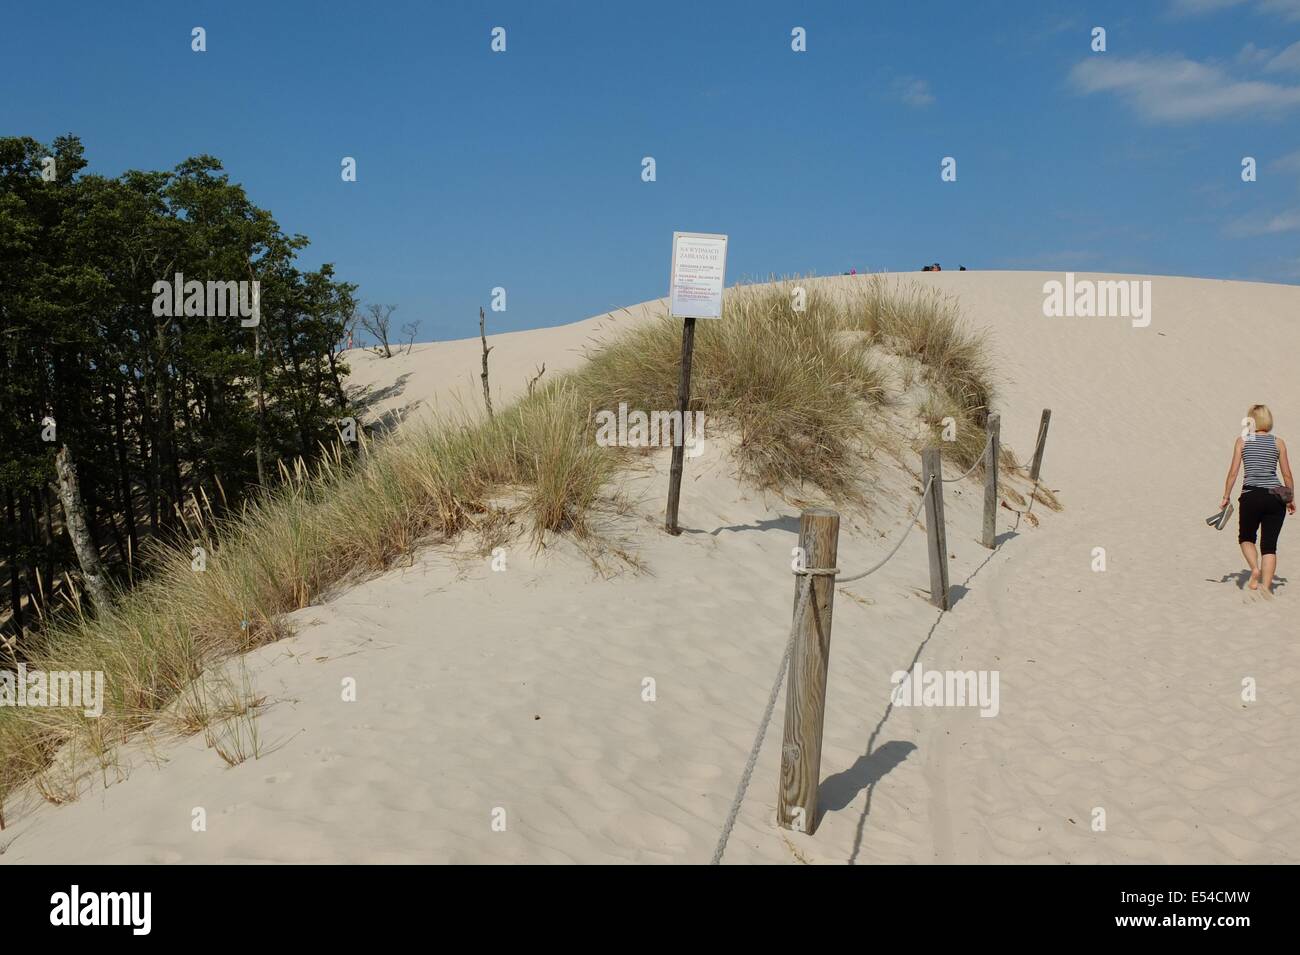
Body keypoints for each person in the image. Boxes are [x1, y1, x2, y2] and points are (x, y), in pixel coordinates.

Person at [1220, 404, 1296, 596]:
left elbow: (1233, 473)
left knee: (1246, 537)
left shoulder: (1242, 441)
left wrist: (1226, 496)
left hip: (1251, 495)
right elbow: (1286, 475)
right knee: (1269, 545)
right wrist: (1290, 498)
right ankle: (1266, 587)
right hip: (1275, 496)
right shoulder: (1278, 443)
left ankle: (1254, 568)